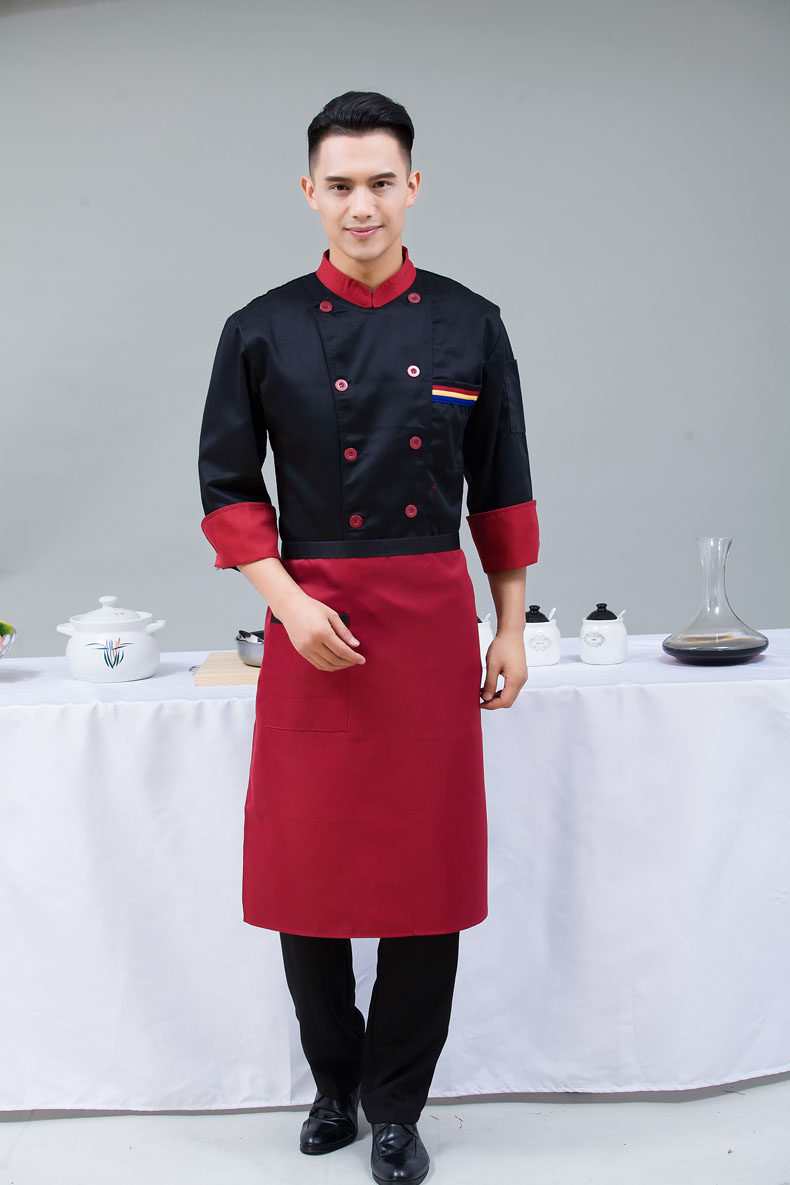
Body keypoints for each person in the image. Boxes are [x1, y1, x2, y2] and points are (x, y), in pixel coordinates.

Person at [197, 90, 540, 1185]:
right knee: (307, 876)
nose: (361, 204)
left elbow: (502, 485)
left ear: (413, 187)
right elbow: (227, 489)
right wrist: (291, 604)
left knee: (425, 882)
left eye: (380, 182)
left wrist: (510, 624)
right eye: (340, 185)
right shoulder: (260, 328)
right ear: (310, 191)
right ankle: (333, 1085)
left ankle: (397, 1109)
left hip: (431, 619)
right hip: (312, 621)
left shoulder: (470, 322)